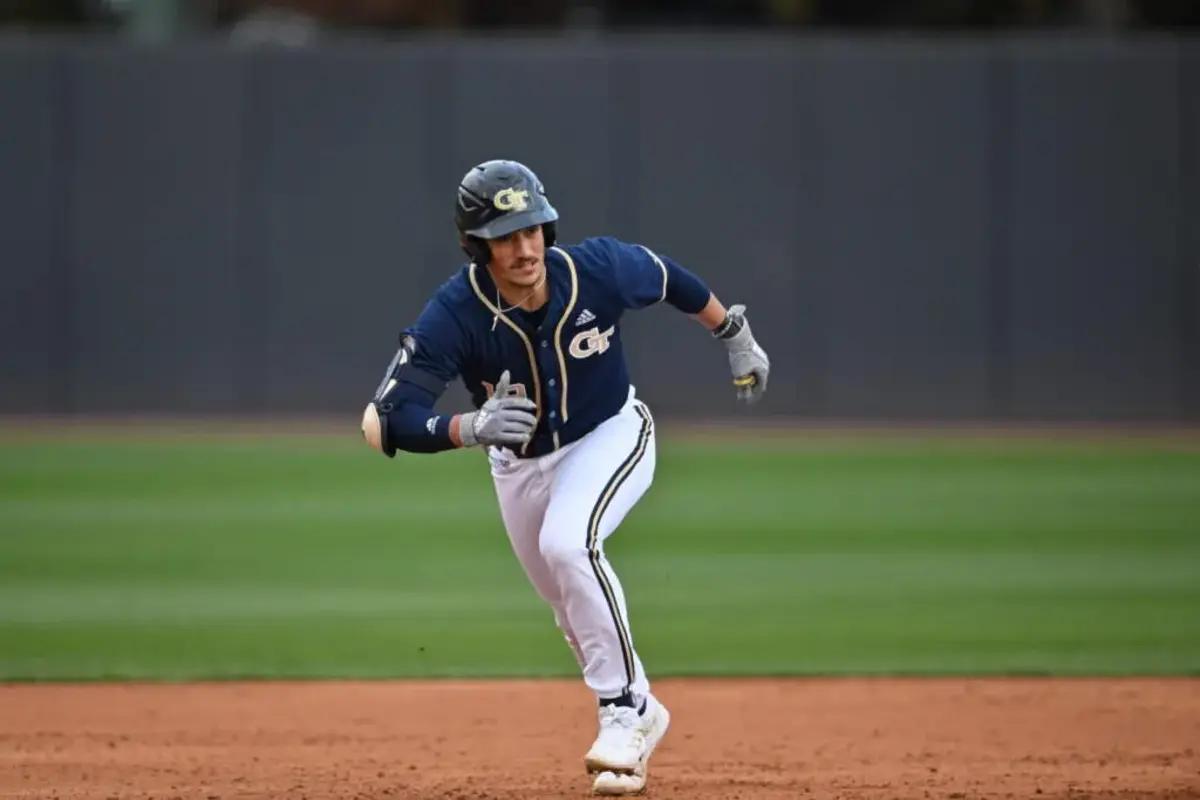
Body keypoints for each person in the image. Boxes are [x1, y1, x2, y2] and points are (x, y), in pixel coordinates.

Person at [361, 159, 770, 795]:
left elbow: (667, 278)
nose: (524, 247)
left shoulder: (596, 270)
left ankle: (623, 712)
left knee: (568, 544)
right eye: (505, 235)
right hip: (518, 465)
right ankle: (641, 711)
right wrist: (464, 429)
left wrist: (732, 331)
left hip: (610, 433)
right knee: (567, 606)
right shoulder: (457, 310)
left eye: (532, 229)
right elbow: (383, 421)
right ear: (477, 245)